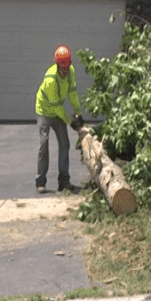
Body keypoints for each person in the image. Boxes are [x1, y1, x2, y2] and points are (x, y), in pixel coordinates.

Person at [35, 44, 84, 194]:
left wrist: (78, 113)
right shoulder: (51, 78)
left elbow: (73, 93)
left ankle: (64, 180)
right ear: (57, 64)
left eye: (67, 65)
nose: (64, 69)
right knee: (44, 143)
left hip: (58, 112)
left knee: (65, 144)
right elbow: (56, 107)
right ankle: (41, 181)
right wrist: (71, 122)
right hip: (44, 111)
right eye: (62, 66)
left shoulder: (71, 71)